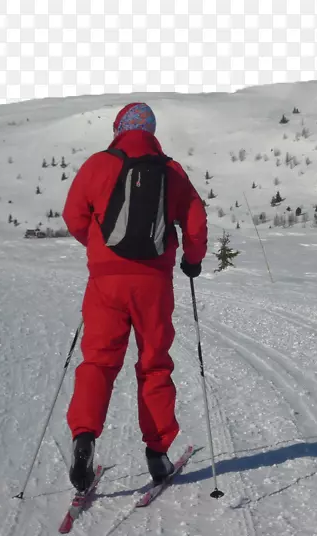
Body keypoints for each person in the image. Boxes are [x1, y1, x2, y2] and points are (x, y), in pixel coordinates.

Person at [62, 102, 208, 492]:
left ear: (118, 128)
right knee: (154, 363)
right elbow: (195, 221)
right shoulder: (171, 170)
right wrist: (192, 261)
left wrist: (98, 250)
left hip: (105, 283)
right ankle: (158, 453)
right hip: (154, 285)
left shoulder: (98, 164)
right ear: (151, 130)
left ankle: (84, 437)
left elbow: (73, 215)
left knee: (98, 360)